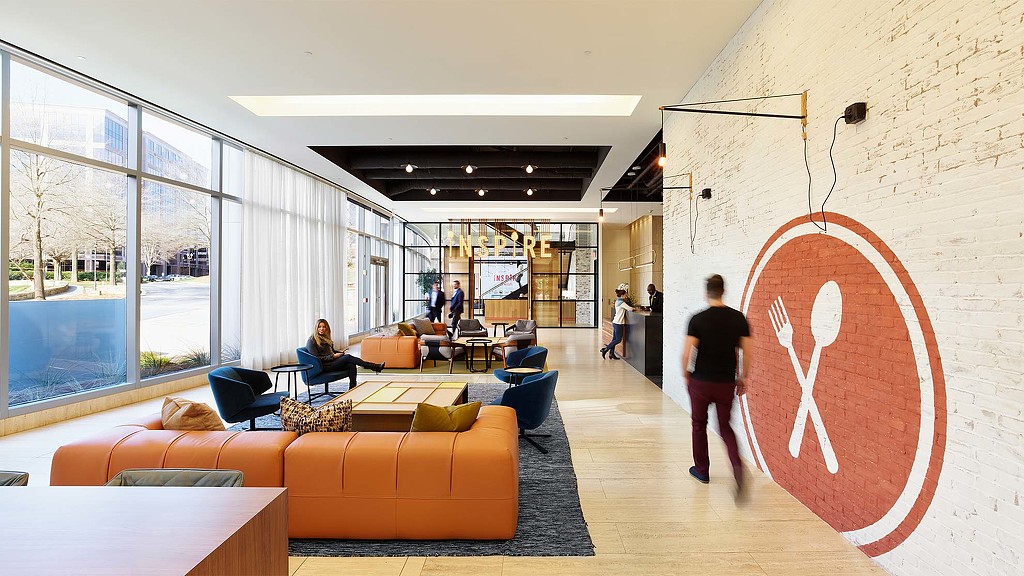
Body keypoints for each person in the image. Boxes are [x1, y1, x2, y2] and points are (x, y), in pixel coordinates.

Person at [681, 274, 751, 501]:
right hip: (725, 383)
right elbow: (747, 352)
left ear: (706, 292)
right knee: (725, 427)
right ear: (723, 291)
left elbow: (687, 353)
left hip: (701, 381)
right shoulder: (739, 319)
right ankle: (737, 468)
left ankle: (702, 470)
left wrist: (687, 376)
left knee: (698, 425)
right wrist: (743, 377)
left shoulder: (697, 319)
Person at [306, 319, 384, 390]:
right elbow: (316, 359)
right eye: (319, 327)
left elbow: (331, 351)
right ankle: (374, 367)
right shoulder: (312, 340)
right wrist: (333, 356)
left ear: (327, 328)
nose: (321, 329)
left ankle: (352, 388)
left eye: (324, 327)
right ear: (316, 328)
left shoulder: (325, 338)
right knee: (348, 357)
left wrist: (339, 353)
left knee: (351, 364)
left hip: (331, 362)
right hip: (324, 365)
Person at [600, 289, 632, 360]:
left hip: (615, 322)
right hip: (618, 323)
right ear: (622, 295)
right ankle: (605, 349)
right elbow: (630, 309)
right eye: (626, 295)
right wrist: (635, 308)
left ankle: (611, 354)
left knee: (614, 339)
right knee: (618, 340)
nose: (626, 296)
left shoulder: (618, 301)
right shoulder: (621, 302)